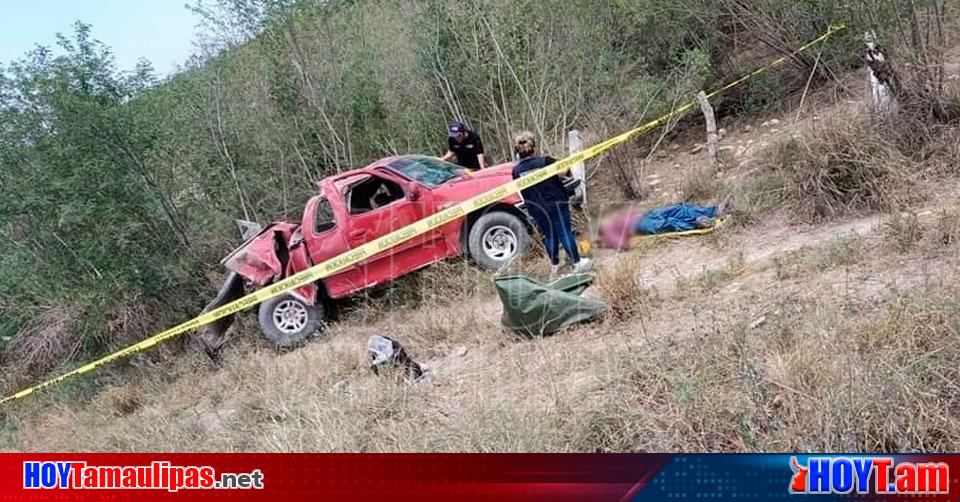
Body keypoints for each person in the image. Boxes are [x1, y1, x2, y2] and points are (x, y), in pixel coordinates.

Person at [511, 131, 590, 277]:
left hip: (537, 208)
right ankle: (578, 263)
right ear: (534, 146)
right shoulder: (546, 161)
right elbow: (565, 171)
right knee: (565, 233)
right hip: (556, 203)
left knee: (549, 236)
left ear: (517, 150)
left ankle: (554, 264)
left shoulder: (516, 171)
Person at [600, 202, 728, 250]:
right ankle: (697, 223)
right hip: (639, 226)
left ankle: (714, 211)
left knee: (679, 208)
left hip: (645, 216)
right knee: (668, 223)